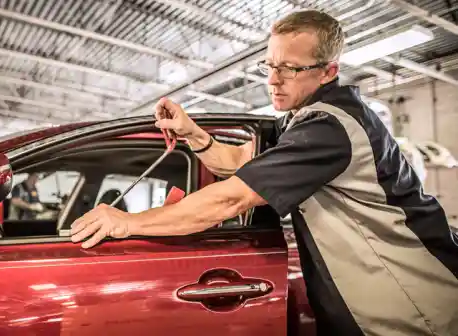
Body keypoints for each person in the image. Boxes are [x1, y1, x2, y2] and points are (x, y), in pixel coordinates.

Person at [70, 9, 458, 336]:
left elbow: (233, 196)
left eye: (290, 68)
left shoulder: (330, 128)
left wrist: (127, 223)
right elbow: (241, 164)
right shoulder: (303, 120)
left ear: (328, 71)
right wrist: (194, 135)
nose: (272, 79)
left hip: (414, 308)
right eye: (270, 65)